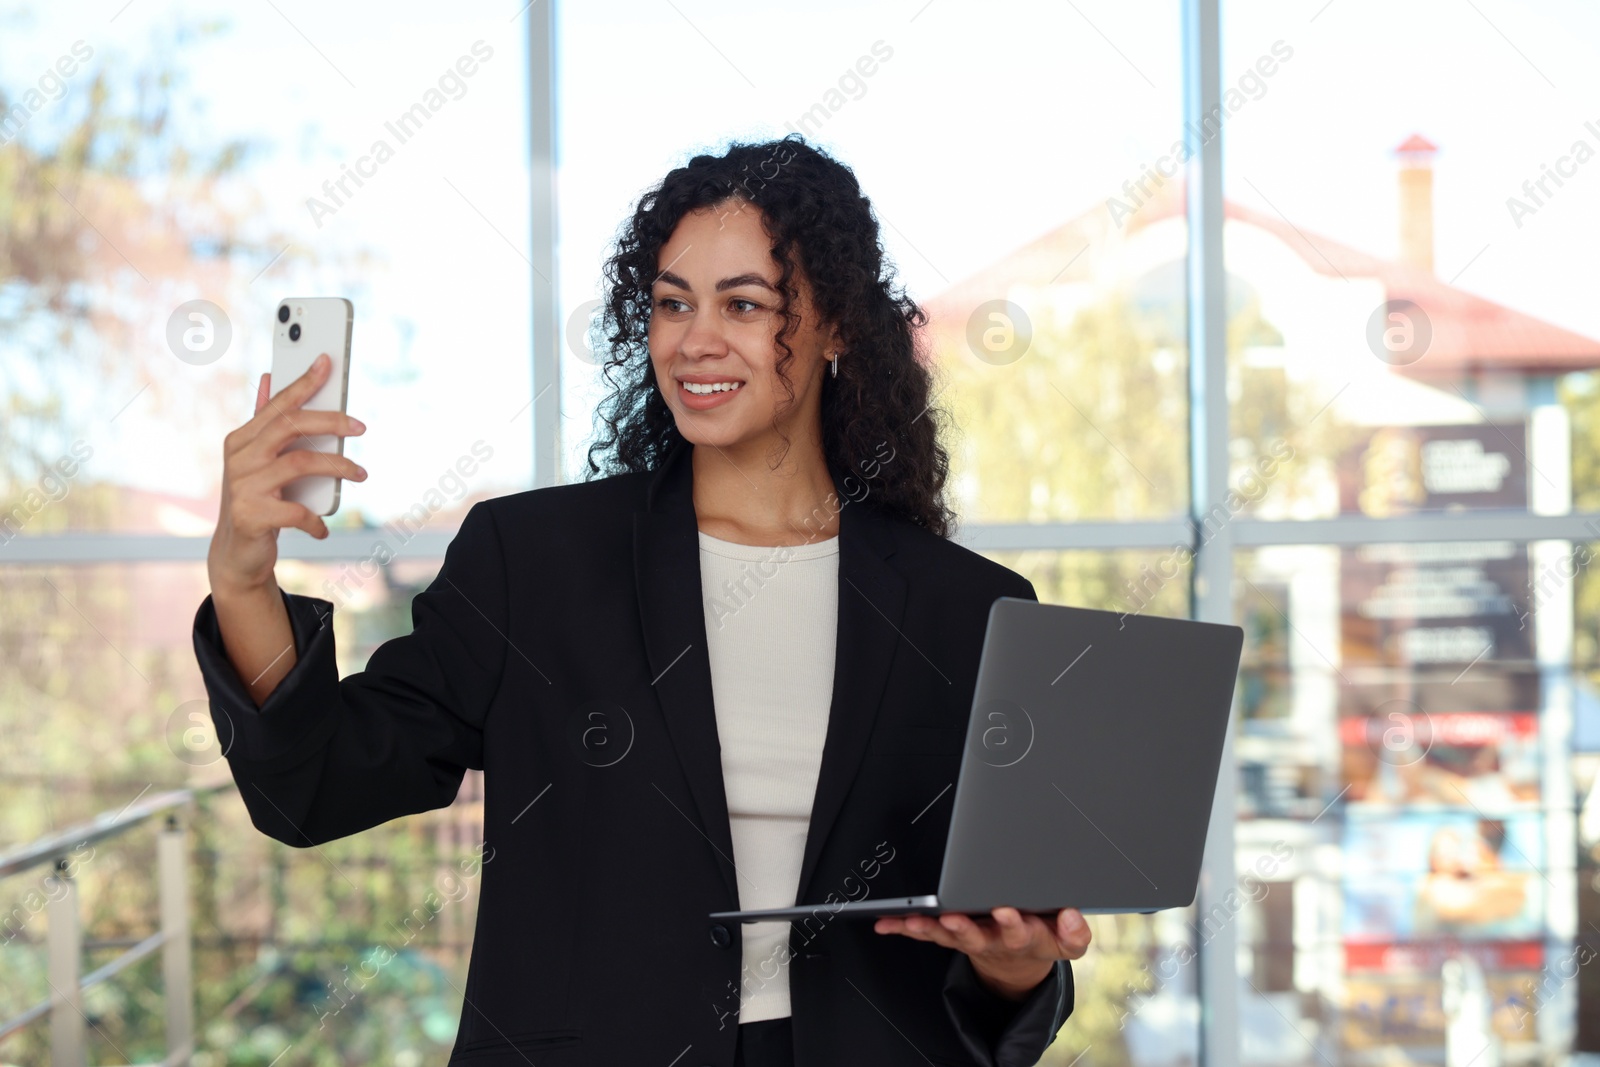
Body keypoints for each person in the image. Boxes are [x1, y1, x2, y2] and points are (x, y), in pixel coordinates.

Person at [194, 134, 1090, 1067]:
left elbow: (1004, 942)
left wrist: (1020, 970)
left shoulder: (970, 610)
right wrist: (244, 579)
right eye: (671, 303)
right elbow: (318, 784)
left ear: (838, 329)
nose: (696, 339)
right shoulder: (533, 563)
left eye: (745, 304)